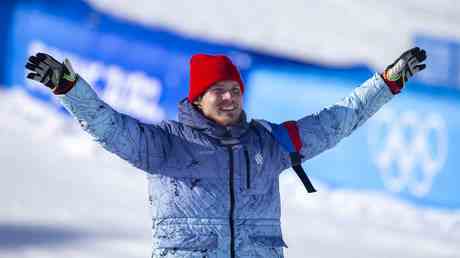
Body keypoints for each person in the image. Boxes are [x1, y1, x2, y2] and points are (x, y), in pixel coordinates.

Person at [25, 48, 426, 258]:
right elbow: (108, 125)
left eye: (235, 90)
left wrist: (387, 83)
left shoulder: (270, 142)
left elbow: (338, 121)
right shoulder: (167, 144)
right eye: (219, 90)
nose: (230, 98)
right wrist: (69, 87)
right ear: (198, 98)